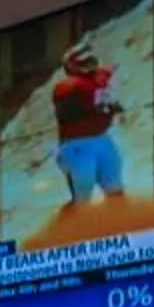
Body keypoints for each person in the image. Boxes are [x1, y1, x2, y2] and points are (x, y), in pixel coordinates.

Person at [50, 42, 126, 204]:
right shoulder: (68, 86)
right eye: (84, 62)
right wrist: (103, 105)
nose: (90, 65)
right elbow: (75, 107)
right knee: (83, 196)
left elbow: (100, 84)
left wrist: (107, 103)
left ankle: (118, 218)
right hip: (77, 144)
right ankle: (76, 219)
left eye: (90, 60)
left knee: (115, 190)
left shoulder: (95, 80)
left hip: (101, 138)